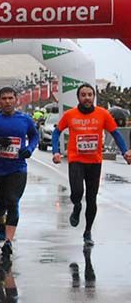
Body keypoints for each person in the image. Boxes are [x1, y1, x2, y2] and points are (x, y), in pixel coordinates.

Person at [52, 83, 131, 245]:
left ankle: (87, 231)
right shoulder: (70, 115)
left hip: (94, 162)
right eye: (83, 95)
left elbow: (115, 133)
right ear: (78, 98)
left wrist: (125, 152)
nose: (87, 98)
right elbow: (56, 132)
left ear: (94, 97)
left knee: (92, 198)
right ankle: (76, 207)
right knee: (77, 193)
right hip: (76, 160)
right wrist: (56, 151)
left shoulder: (102, 114)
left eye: (90, 95)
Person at [0, 87, 38, 261]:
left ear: (16, 100)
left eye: (11, 98)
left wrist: (29, 149)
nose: (8, 101)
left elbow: (34, 137)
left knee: (13, 201)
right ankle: (1, 220)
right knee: (0, 206)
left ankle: (8, 242)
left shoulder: (25, 119)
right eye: (4, 99)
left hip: (18, 168)